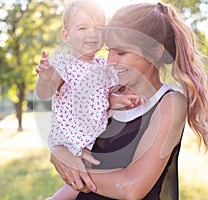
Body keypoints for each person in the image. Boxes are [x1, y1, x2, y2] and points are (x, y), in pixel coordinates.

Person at [48, 2, 208, 200]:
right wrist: (61, 152)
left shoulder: (170, 103)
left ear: (156, 51)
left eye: (121, 52)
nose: (110, 61)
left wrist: (72, 171)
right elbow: (72, 141)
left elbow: (131, 188)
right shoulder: (106, 95)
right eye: (109, 51)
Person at [35, 0, 145, 199]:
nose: (92, 34)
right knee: (85, 175)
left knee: (87, 177)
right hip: (70, 138)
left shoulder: (103, 66)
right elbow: (46, 92)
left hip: (92, 138)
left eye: (98, 29)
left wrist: (118, 100)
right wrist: (45, 77)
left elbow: (102, 98)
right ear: (66, 36)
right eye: (83, 28)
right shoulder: (65, 63)